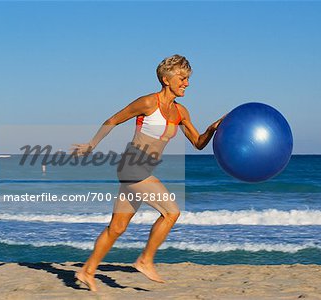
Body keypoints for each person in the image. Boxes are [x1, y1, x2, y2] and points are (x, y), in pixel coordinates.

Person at [71, 54, 224, 291]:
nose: (187, 83)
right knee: (171, 212)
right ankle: (145, 260)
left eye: (188, 79)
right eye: (182, 78)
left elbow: (198, 142)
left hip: (139, 171)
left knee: (117, 228)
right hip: (133, 167)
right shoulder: (148, 103)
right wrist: (91, 144)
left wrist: (213, 128)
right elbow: (113, 119)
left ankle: (87, 271)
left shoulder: (180, 112)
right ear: (166, 79)